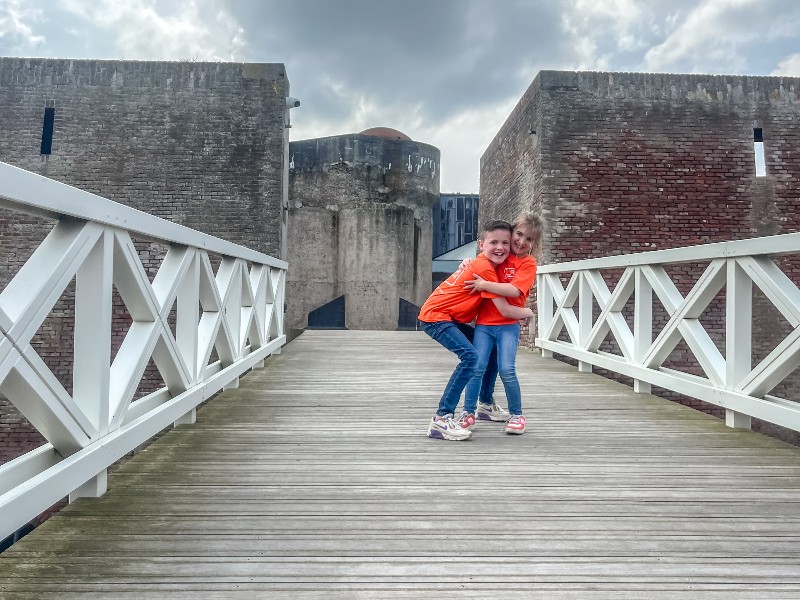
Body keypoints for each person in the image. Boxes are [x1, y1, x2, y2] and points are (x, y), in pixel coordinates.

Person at [418, 220, 535, 441]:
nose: (500, 247)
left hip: (448, 316)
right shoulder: (485, 268)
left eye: (505, 243)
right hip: (437, 317)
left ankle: (485, 404)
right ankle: (442, 418)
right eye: (494, 243)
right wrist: (528, 313)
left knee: (487, 355)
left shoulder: (487, 264)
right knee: (471, 358)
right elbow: (504, 308)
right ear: (482, 244)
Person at [460, 212, 543, 435]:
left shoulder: (528, 263)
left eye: (530, 239)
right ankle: (468, 412)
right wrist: (468, 261)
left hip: (508, 325)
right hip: (485, 325)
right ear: (512, 232)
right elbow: (481, 260)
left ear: (535, 244)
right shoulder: (500, 255)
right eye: (519, 234)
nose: (522, 242)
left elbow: (514, 290)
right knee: (476, 368)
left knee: (507, 369)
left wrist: (484, 284)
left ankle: (517, 415)